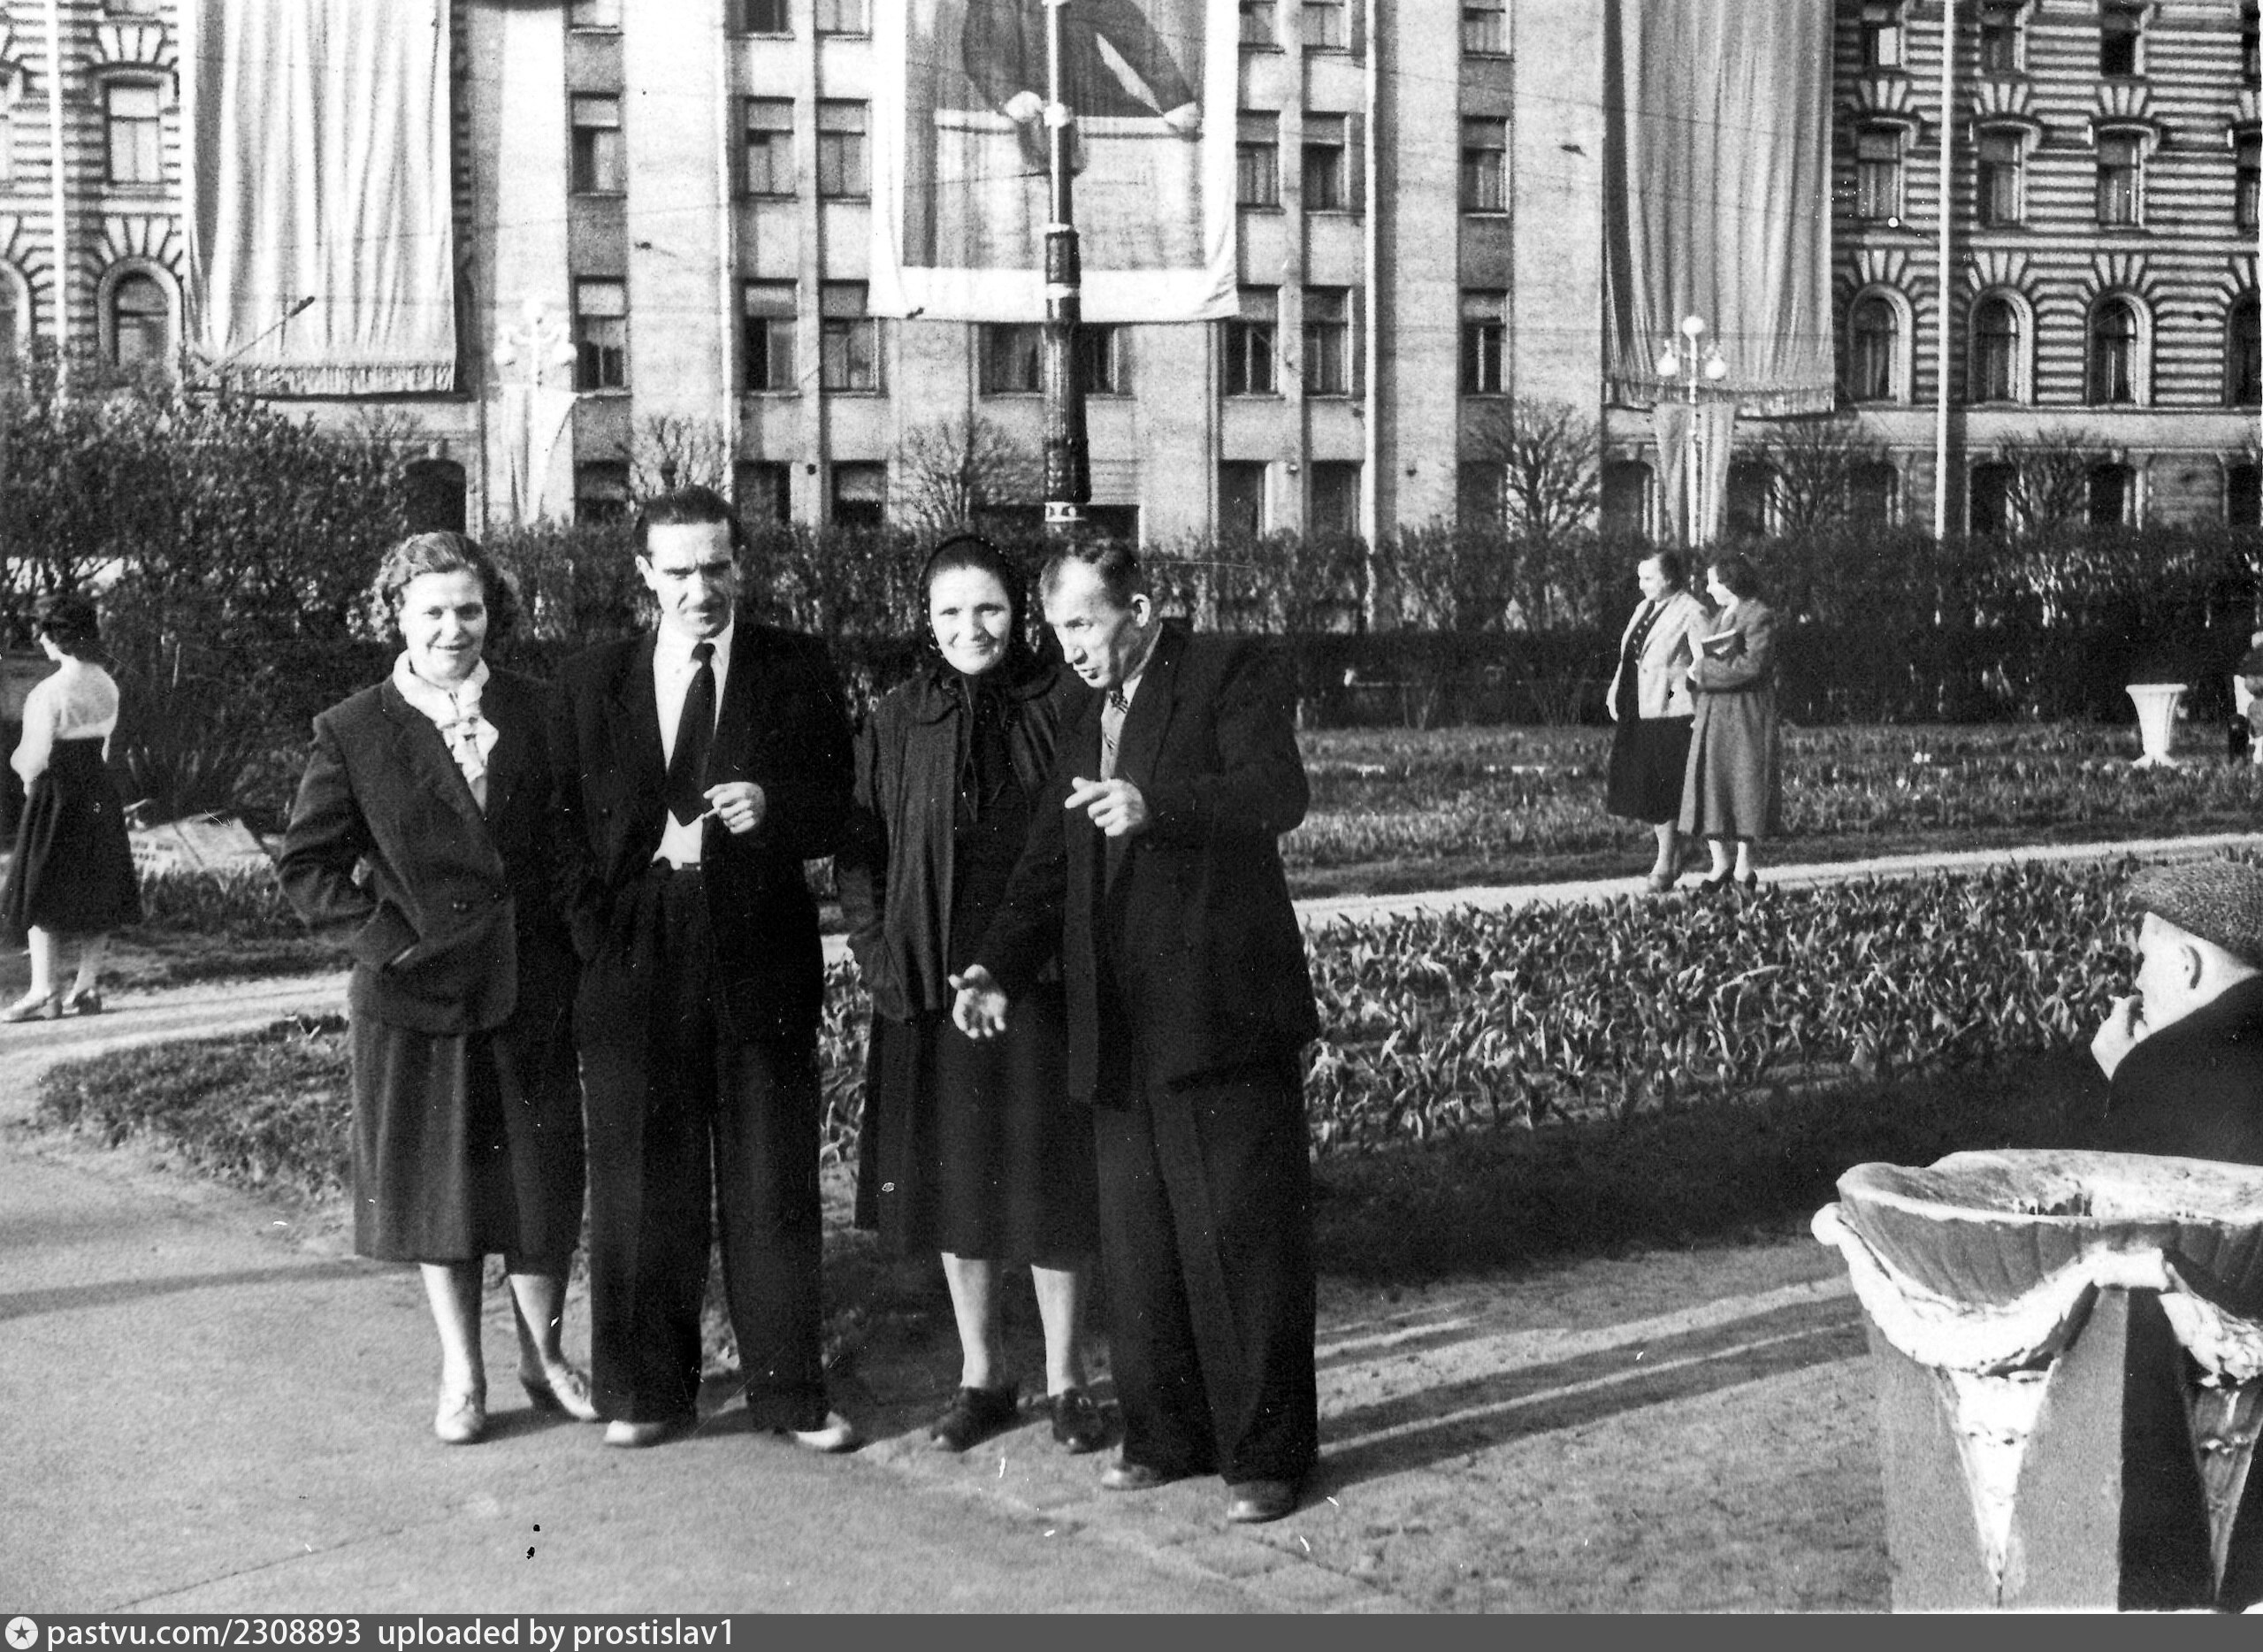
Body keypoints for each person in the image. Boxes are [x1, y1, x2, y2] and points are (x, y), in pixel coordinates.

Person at [952, 543, 1320, 1527]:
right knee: (1141, 1243)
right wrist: (996, 965)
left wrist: (1160, 807)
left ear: (1142, 608)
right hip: (1116, 1023)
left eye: (1084, 623)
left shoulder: (1228, 670)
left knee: (1242, 1242)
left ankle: (1266, 1456)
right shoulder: (1084, 711)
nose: (1071, 647)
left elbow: (1276, 792)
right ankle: (1164, 1434)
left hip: (1220, 1013)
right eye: (1058, 630)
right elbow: (1048, 857)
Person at [551, 486, 859, 1452]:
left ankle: (789, 1394)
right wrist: (598, 932)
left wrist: (777, 808)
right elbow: (555, 827)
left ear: (741, 565)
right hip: (635, 937)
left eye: (717, 567)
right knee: (642, 1175)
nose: (701, 589)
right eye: (679, 570)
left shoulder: (795, 666)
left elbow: (841, 803)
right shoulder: (590, 680)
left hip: (757, 936)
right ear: (644, 574)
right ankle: (646, 1393)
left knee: (771, 1176)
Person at [276, 533, 593, 1444]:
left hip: (532, 986)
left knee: (538, 1187)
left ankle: (545, 1358)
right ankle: (463, 1370)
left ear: (493, 612)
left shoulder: (540, 708)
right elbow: (308, 866)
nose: (453, 629)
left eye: (470, 609)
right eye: (433, 611)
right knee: (443, 1192)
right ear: (397, 617)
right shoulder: (353, 728)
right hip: (420, 998)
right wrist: (393, 944)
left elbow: (573, 843)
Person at [837, 534, 1105, 1457]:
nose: (971, 628)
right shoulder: (897, 716)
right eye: (949, 611)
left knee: (1049, 1180)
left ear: (1018, 610)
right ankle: (982, 1373)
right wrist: (880, 956)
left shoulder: (1063, 701)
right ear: (925, 618)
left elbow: (1081, 843)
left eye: (988, 607)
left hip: (1041, 980)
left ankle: (1068, 1379)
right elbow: (861, 853)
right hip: (930, 979)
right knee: (958, 1182)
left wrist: (1037, 960)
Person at [2, 593, 141, 1022]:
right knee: (97, 885)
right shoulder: (108, 684)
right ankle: (86, 987)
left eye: (43, 634)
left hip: (56, 794)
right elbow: (108, 742)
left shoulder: (49, 692)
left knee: (41, 888)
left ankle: (44, 991)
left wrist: (26, 780)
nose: (40, 641)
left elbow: (35, 755)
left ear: (55, 638)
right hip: (98, 791)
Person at [2088, 860, 2263, 1166]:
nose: (2139, 980)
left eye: (2145, 957)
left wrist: (2135, 1076)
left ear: (2187, 966)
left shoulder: (2156, 1070)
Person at [960, 0, 1201, 172]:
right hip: (1030, 118)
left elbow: (1133, 32)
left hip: (1097, 107)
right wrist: (1009, 97)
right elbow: (978, 50)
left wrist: (1176, 98)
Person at [1603, 549, 1713, 893]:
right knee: (1645, 787)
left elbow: (1706, 663)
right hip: (1639, 706)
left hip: (1671, 711)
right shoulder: (1644, 608)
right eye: (1641, 577)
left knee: (1665, 789)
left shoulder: (1692, 611)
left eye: (1648, 578)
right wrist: (1615, 688)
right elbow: (1630, 655)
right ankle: (1674, 853)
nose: (1642, 584)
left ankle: (1666, 861)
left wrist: (1686, 692)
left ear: (1668, 578)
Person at [1678, 552, 1782, 893]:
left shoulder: (1759, 616)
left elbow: (1752, 666)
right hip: (1715, 712)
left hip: (1745, 713)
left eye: (1713, 582)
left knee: (1743, 784)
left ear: (1731, 582)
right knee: (1712, 784)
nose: (1709, 589)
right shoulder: (1719, 616)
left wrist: (1703, 671)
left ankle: (1744, 867)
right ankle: (1719, 862)